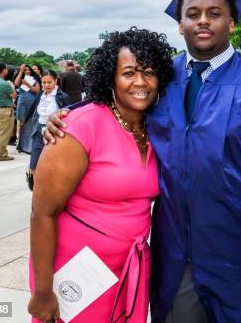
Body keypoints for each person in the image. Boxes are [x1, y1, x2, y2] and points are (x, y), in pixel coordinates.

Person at [44, 0, 241, 322]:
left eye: (214, 13)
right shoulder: (163, 78)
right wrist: (65, 114)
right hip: (175, 256)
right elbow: (118, 104)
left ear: (231, 23)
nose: (203, 20)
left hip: (240, 256)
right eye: (192, 13)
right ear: (180, 24)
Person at [28, 28, 174, 323]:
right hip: (80, 269)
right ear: (110, 78)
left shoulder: (157, 128)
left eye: (149, 72)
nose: (140, 82)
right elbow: (42, 213)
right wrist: (43, 292)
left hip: (129, 267)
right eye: (129, 72)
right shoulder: (81, 126)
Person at [23, 70, 72, 190]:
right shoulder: (40, 95)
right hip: (38, 131)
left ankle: (54, 191)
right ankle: (37, 191)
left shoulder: (63, 97)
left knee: (54, 164)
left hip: (54, 132)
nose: (46, 85)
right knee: (34, 163)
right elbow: (33, 112)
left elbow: (69, 116)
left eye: (49, 82)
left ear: (56, 81)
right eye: (43, 82)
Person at [14, 64, 40, 152]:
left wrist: (27, 84)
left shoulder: (34, 79)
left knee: (30, 123)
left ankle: (29, 143)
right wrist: (21, 71)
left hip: (32, 102)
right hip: (22, 103)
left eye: (28, 70)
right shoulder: (21, 78)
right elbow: (16, 84)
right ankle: (20, 143)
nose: (27, 71)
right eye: (25, 70)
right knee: (21, 123)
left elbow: (37, 91)